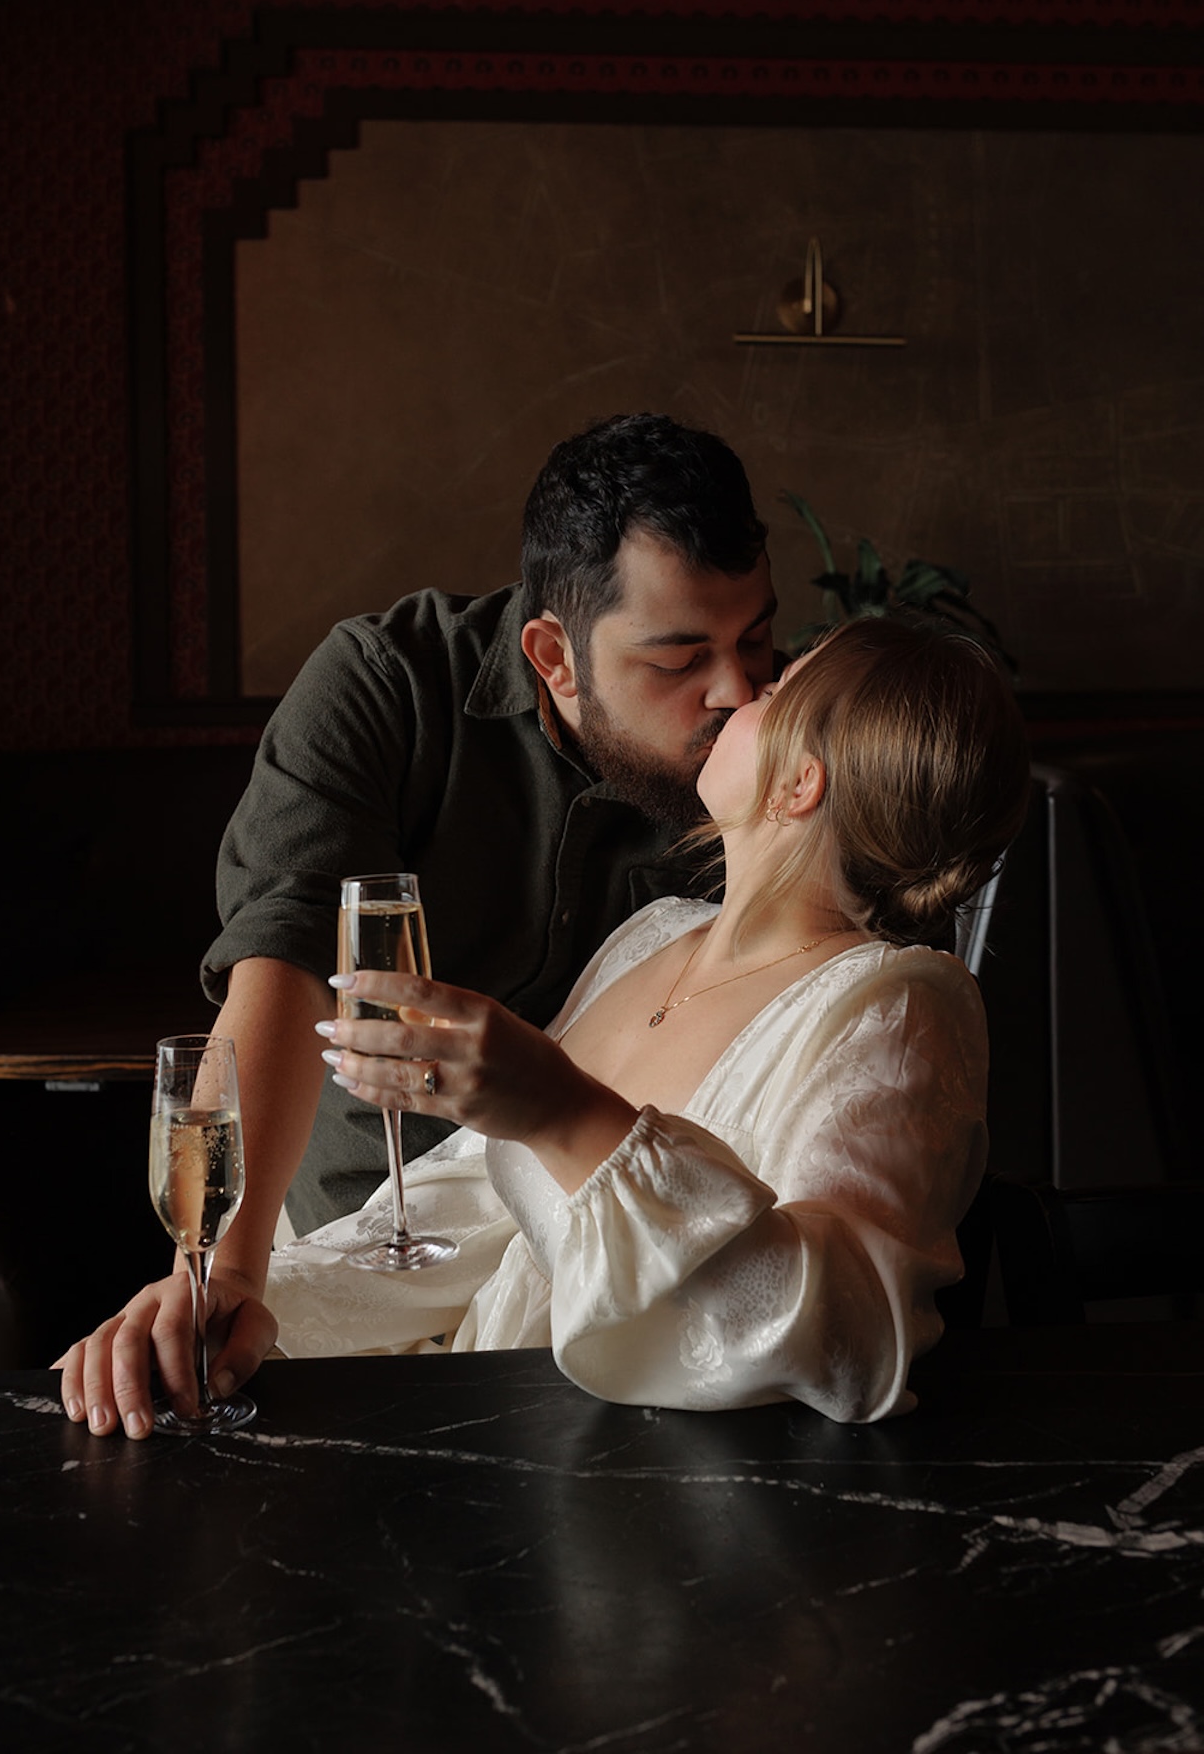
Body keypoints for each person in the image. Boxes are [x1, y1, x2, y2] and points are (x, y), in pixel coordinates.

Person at [57, 412, 776, 1437]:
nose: (737, 692)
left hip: (613, 1259)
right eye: (680, 659)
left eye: (755, 640)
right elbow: (282, 965)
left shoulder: (767, 744)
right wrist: (224, 1272)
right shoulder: (384, 683)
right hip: (354, 1239)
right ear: (553, 656)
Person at [260, 612, 1031, 1419]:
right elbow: (472, 1210)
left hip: (650, 1470)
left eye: (774, 690)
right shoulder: (650, 937)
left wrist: (567, 1114)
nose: (738, 696)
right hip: (494, 1413)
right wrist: (251, 1302)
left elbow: (839, 1334)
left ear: (800, 782)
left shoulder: (896, 1005)